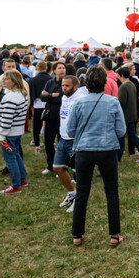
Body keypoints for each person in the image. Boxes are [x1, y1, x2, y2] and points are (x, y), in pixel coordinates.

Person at [67, 65, 126, 247]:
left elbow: (70, 130)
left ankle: (77, 234)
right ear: (104, 83)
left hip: (84, 150)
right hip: (107, 150)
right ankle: (114, 235)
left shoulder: (78, 103)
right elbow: (121, 130)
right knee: (112, 191)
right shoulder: (113, 102)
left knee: (82, 193)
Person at [53, 76, 86, 214]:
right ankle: (72, 193)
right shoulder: (64, 97)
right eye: (62, 85)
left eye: (67, 86)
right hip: (63, 138)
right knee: (57, 167)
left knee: (77, 171)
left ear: (75, 87)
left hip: (75, 140)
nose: (64, 88)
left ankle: (79, 200)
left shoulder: (81, 99)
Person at [0, 70, 29, 194]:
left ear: (13, 82)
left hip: (9, 132)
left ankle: (16, 186)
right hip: (16, 131)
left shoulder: (11, 97)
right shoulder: (21, 93)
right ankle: (22, 180)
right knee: (16, 155)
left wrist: (2, 136)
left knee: (10, 159)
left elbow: (7, 119)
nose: (3, 81)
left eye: (6, 79)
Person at [116, 66, 139, 163]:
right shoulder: (132, 84)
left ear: (121, 75)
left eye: (118, 76)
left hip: (125, 116)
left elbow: (121, 102)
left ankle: (118, 158)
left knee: (122, 137)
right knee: (132, 135)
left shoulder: (123, 87)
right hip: (132, 114)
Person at [40, 61, 66, 175]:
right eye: (59, 68)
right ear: (54, 70)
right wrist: (52, 95)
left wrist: (49, 95)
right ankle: (50, 165)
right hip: (50, 116)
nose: (62, 70)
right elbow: (42, 97)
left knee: (61, 143)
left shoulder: (66, 82)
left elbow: (61, 97)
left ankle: (62, 166)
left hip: (62, 116)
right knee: (48, 143)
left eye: (63, 68)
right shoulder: (49, 82)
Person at [28, 61, 51, 153]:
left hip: (37, 104)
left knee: (36, 125)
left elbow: (30, 93)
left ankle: (37, 145)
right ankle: (48, 142)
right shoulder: (50, 78)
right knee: (48, 125)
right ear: (46, 68)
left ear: (37, 68)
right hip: (48, 104)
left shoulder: (33, 79)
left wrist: (31, 104)